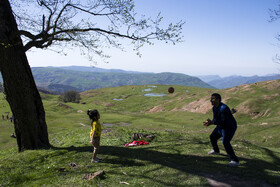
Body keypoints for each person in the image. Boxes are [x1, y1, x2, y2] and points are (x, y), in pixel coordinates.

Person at [203, 93, 240, 167]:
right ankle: (216, 151)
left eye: (213, 99)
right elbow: (216, 119)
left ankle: (235, 160)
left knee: (225, 142)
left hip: (229, 126)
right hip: (221, 126)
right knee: (212, 137)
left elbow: (223, 121)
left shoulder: (224, 108)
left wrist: (213, 122)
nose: (211, 100)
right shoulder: (214, 108)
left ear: (218, 100)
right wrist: (210, 122)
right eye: (211, 98)